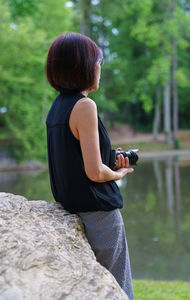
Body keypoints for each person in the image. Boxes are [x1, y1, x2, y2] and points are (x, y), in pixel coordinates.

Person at [45, 32, 134, 300]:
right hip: (100, 216)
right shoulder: (85, 106)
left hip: (72, 210)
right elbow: (94, 172)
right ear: (82, 66)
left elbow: (73, 159)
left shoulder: (57, 107)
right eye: (98, 62)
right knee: (119, 289)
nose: (99, 68)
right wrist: (118, 173)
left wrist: (108, 158)